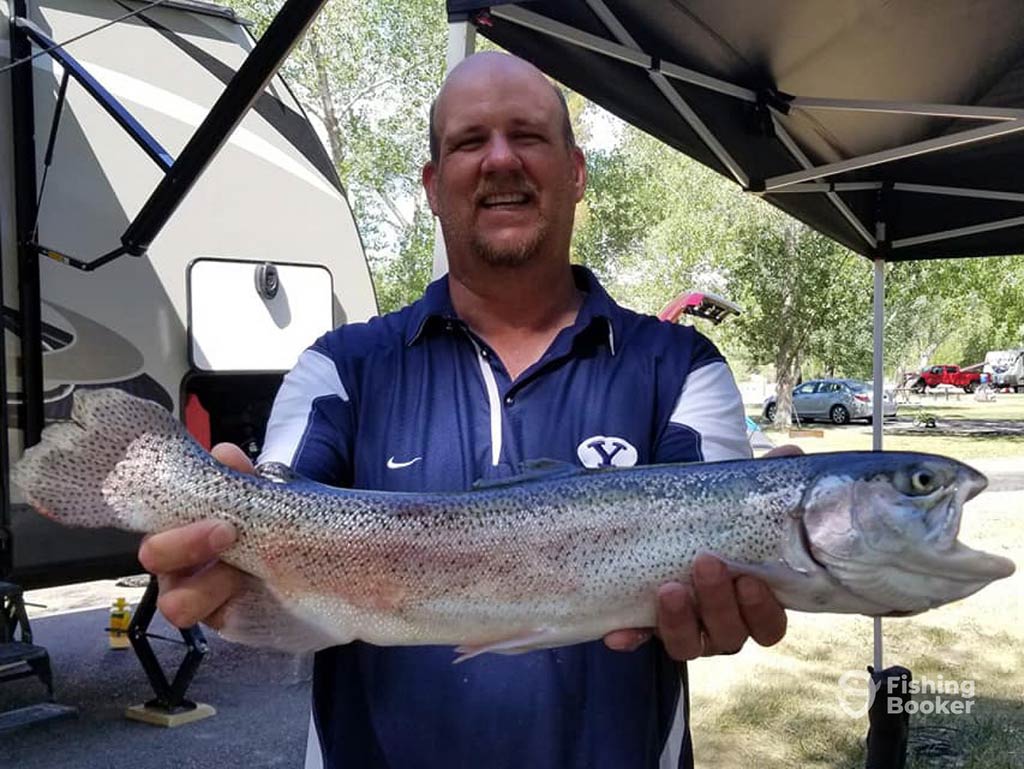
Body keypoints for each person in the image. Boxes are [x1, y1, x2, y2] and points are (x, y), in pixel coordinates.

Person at [140, 52, 789, 769]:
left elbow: (724, 547)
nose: (500, 159)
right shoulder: (341, 367)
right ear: (431, 184)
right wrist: (226, 558)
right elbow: (281, 503)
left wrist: (738, 573)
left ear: (576, 171)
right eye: (470, 141)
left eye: (529, 136)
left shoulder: (681, 365)